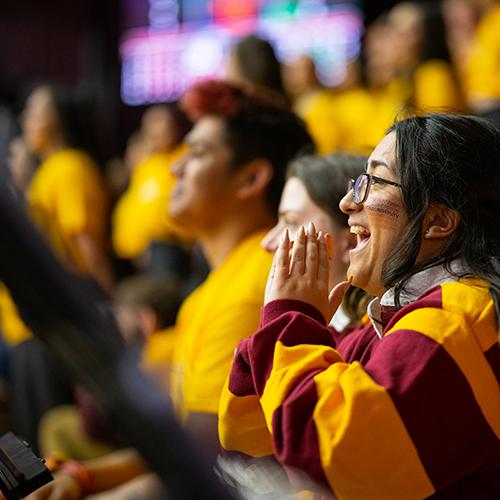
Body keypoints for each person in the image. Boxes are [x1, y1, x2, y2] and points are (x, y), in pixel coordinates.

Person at [26, 79, 314, 499]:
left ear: (251, 177)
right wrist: (81, 477)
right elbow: (188, 447)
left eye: (196, 152)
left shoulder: (259, 281)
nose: (175, 166)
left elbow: (210, 466)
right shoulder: (211, 288)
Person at [219, 113, 500, 497]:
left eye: (374, 182)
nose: (347, 202)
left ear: (436, 220)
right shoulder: (388, 322)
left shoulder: (459, 319)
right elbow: (245, 428)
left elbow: (321, 456)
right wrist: (291, 324)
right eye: (357, 183)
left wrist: (290, 319)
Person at [261, 153, 368, 329]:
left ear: (351, 242)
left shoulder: (370, 338)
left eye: (291, 222)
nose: (267, 243)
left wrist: (284, 320)